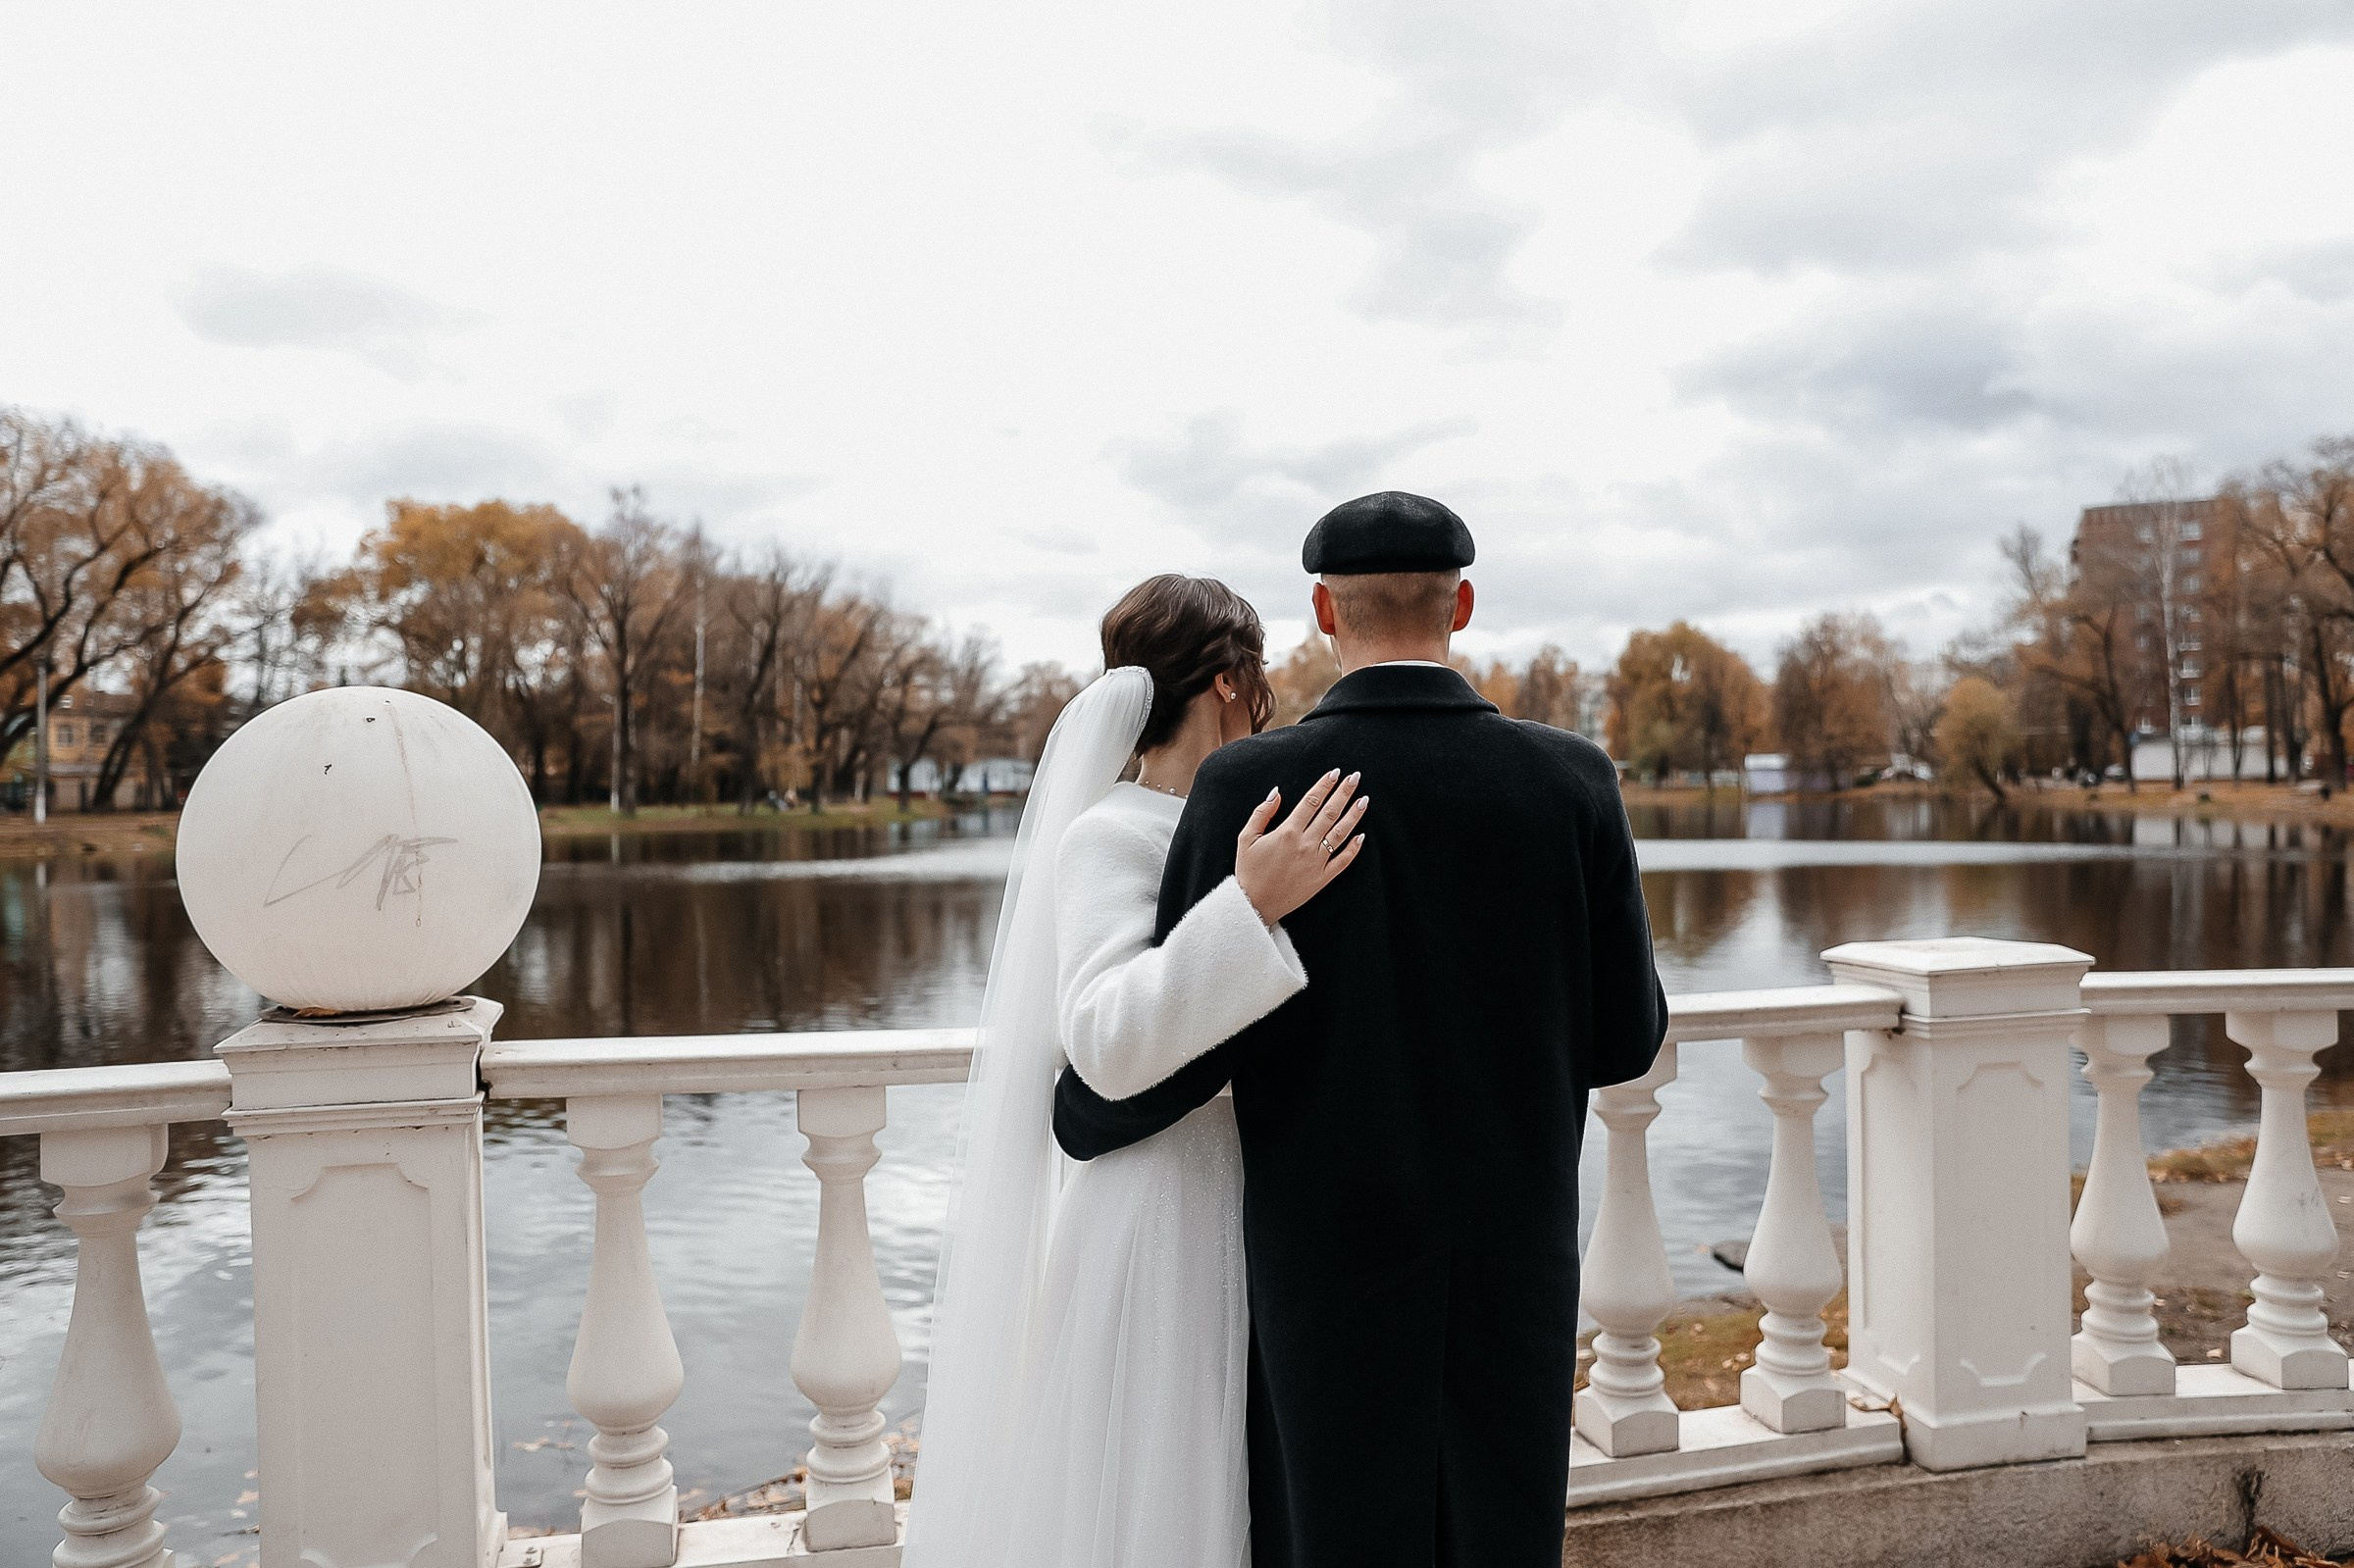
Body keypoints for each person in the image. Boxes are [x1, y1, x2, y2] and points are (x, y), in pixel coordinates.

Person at [1055, 493, 1669, 1568]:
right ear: (1462, 603)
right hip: (1512, 1261)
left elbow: (1196, 1044)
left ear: (1323, 612)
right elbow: (1625, 1041)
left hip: (1321, 1268)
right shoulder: (1576, 780)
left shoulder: (1252, 784)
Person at [905, 574, 1371, 1568]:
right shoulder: (1110, 835)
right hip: (1165, 1215)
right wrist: (1248, 909)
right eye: (1260, 678)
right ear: (1228, 682)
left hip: (1264, 1205)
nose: (1270, 700)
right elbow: (1107, 1042)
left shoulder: (1261, 819)